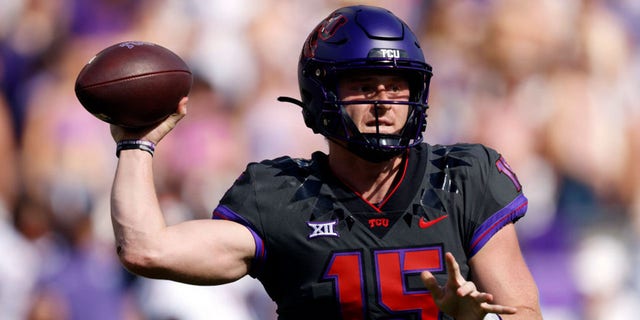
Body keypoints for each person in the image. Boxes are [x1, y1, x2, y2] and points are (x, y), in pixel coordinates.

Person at [108, 5, 542, 320]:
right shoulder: (281, 194)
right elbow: (147, 250)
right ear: (322, 95)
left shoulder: (462, 179)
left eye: (396, 86)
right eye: (365, 86)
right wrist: (134, 145)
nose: (384, 103)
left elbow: (525, 316)